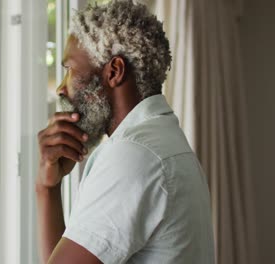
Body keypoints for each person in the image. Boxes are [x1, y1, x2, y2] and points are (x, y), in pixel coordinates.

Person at [36, 1, 215, 263]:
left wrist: (43, 186)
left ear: (115, 72)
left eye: (69, 70)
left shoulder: (133, 154)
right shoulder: (163, 143)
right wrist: (47, 187)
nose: (61, 88)